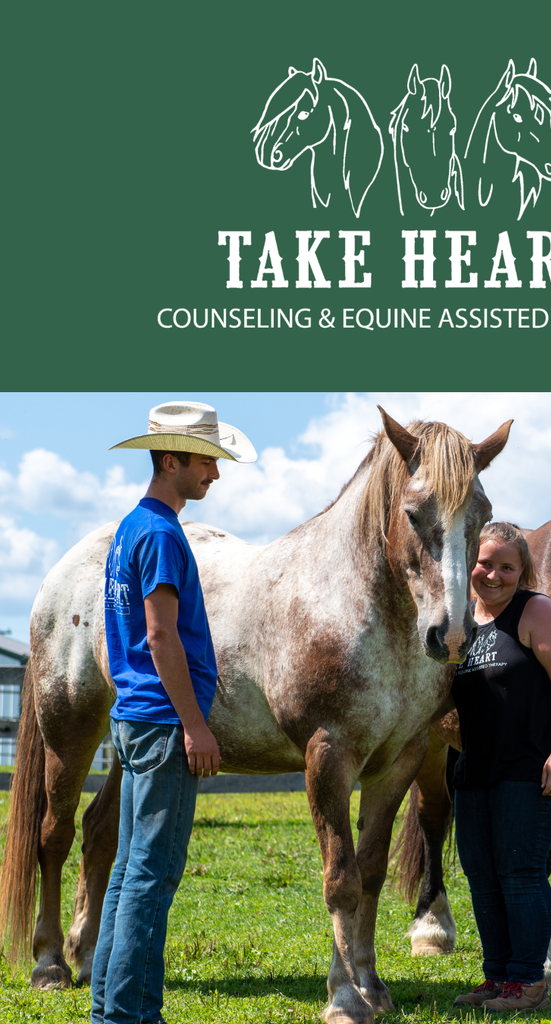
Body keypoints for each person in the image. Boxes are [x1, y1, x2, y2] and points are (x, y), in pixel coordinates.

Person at [91, 401, 256, 1024]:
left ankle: (109, 1007)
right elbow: (160, 637)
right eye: (208, 461)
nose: (215, 474)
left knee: (128, 874)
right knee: (151, 879)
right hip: (164, 723)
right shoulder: (160, 534)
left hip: (137, 717)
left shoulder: (131, 528)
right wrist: (195, 724)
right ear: (172, 459)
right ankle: (131, 1015)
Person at [447, 522, 551, 1013]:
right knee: (481, 874)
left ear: (522, 571)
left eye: (507, 566)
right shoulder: (459, 620)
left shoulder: (536, 611)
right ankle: (499, 976)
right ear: (468, 564)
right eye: (485, 563)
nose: (494, 574)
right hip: (476, 767)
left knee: (520, 871)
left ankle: (527, 981)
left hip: (531, 765)